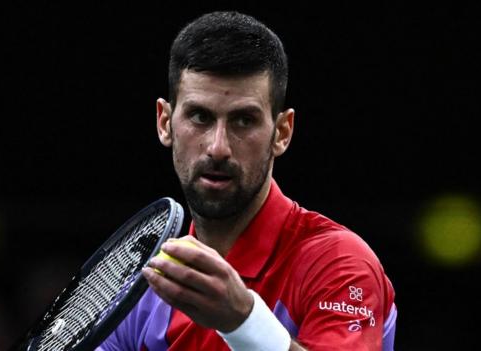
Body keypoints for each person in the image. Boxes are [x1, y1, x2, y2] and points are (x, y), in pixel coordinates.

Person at [97, 11, 396, 351]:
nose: (218, 147)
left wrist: (243, 321)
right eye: (200, 116)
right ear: (164, 122)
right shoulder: (146, 289)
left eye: (244, 120)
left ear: (281, 132)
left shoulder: (339, 265)